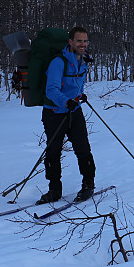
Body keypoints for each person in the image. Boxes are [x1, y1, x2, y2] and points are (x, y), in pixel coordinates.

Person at [37, 26, 96, 204]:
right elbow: (51, 90)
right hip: (55, 113)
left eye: (85, 41)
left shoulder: (83, 60)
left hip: (74, 111)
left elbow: (77, 83)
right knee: (53, 152)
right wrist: (66, 101)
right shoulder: (58, 62)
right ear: (70, 42)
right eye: (79, 41)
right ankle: (54, 190)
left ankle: (88, 185)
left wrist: (79, 96)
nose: (83, 44)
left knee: (83, 149)